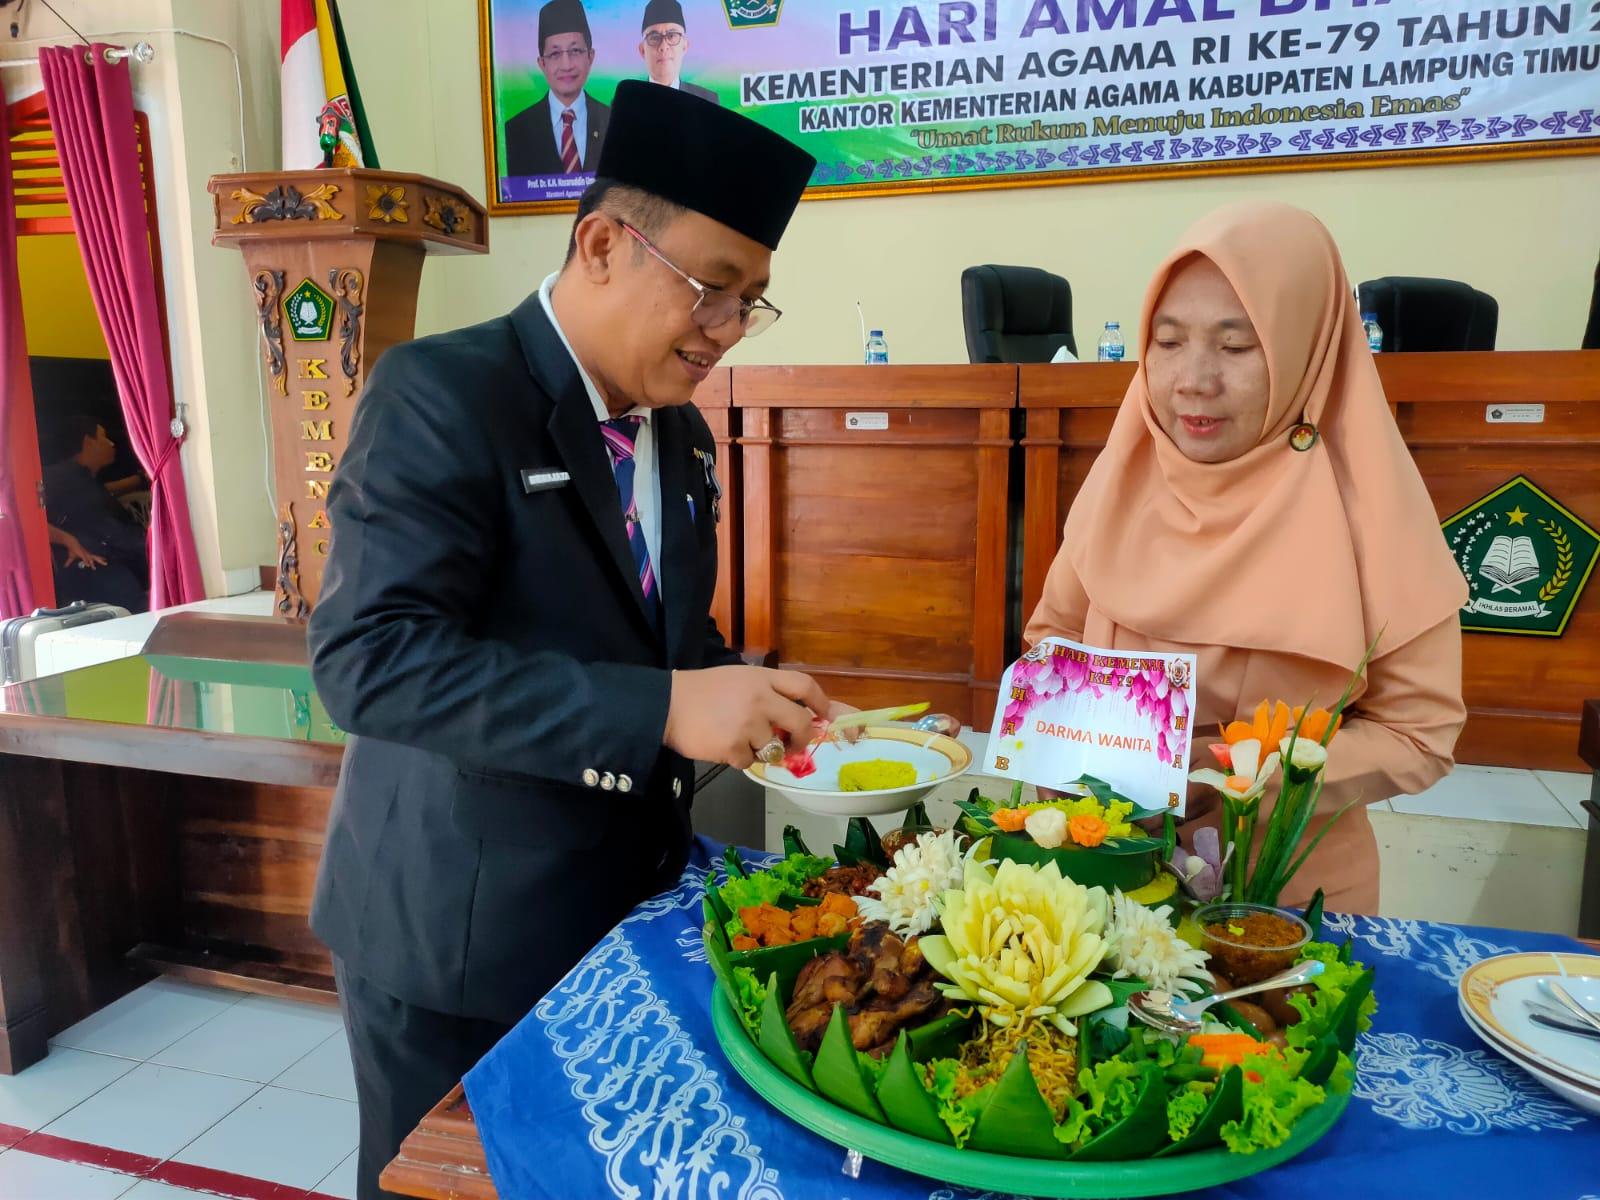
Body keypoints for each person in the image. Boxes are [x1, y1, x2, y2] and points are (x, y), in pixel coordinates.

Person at [308, 81, 828, 1199]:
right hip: (457, 934)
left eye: (752, 302)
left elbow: (660, 629)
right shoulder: (443, 394)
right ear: (601, 243)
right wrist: (666, 710)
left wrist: (746, 685)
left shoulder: (679, 435)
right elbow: (370, 661)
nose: (726, 331)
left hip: (618, 911)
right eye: (712, 290)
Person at [1025, 201, 1468, 915]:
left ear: (1307, 352)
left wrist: (1239, 777)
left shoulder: (1373, 515)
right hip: (1105, 881)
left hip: (1285, 910)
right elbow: (1052, 643)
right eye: (1167, 342)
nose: (1193, 380)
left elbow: (1420, 735)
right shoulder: (1121, 483)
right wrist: (1060, 746)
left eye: (1236, 347)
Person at [42, 414, 148, 614]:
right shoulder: (59, 479)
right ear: (88, 442)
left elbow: (104, 491)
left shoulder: (81, 478)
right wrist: (67, 539)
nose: (111, 444)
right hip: (95, 564)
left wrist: (140, 479)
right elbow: (28, 517)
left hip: (110, 557)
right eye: (104, 438)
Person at [503, 0, 610, 177]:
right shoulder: (515, 131)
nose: (566, 65)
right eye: (555, 54)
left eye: (575, 51)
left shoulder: (613, 123)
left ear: (590, 57)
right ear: (542, 63)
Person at [638, 0, 719, 104]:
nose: (663, 46)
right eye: (654, 37)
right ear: (642, 50)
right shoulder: (626, 102)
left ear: (685, 46)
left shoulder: (707, 101)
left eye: (671, 36)